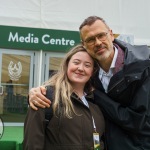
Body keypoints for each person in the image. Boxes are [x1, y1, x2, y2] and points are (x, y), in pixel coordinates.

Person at [28, 16, 150, 150]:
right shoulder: (89, 75)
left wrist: (98, 95)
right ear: (83, 44)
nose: (97, 42)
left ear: (111, 34)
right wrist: (37, 92)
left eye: (101, 35)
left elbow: (139, 121)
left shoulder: (143, 67)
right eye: (91, 39)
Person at [23, 44, 105, 150]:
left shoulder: (97, 102)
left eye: (87, 65)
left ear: (92, 71)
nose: (81, 68)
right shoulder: (44, 97)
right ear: (67, 65)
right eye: (76, 62)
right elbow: (32, 144)